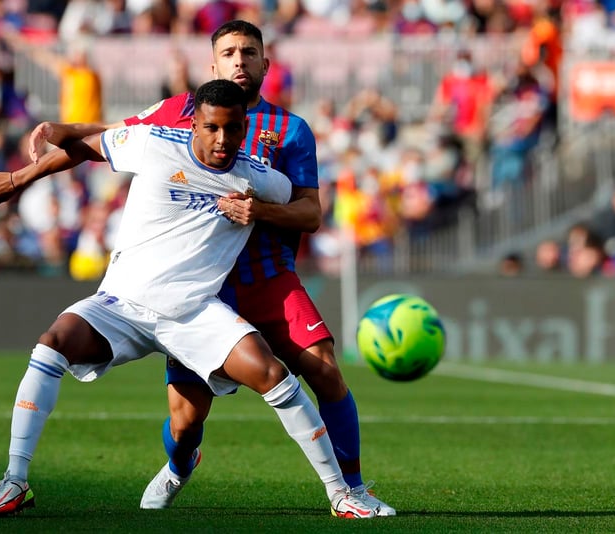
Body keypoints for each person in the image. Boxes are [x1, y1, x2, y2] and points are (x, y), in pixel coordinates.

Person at [26, 20, 394, 516]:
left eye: (249, 52)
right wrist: (21, 175)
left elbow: (311, 213)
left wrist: (259, 212)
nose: (239, 61)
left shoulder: (292, 130)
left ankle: (352, 488)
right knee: (184, 421)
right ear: (212, 64)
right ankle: (180, 464)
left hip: (265, 276)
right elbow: (110, 139)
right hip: (197, 287)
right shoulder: (180, 110)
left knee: (324, 369)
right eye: (229, 53)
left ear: (266, 62)